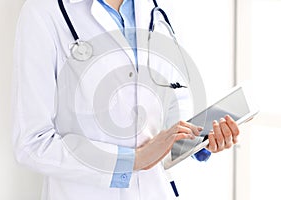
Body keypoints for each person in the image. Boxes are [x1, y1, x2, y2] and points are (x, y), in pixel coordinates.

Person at [12, 0, 240, 199]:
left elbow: (175, 95)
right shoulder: (43, 12)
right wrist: (132, 160)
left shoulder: (159, 7)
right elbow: (33, 143)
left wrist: (195, 140)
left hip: (157, 190)